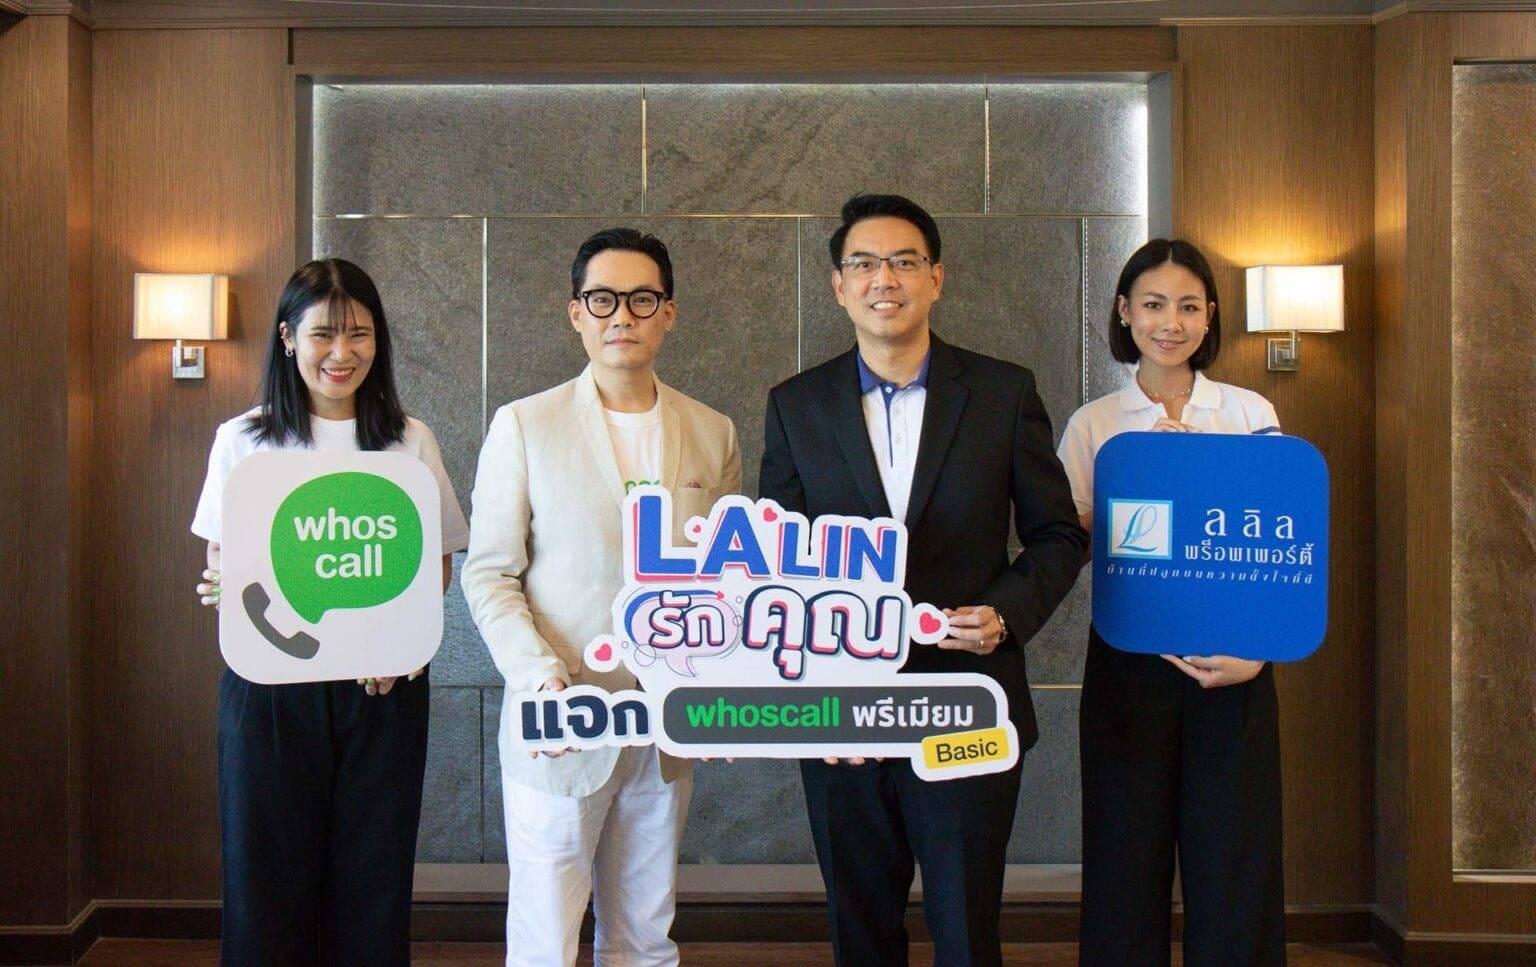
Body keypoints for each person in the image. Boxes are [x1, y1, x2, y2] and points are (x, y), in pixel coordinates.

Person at [759, 194, 1087, 967]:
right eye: (864, 263)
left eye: (904, 261)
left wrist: (1004, 614)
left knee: (966, 927)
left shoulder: (1003, 393)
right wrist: (811, 686)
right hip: (841, 708)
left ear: (935, 278)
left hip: (965, 698)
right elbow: (776, 561)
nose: (885, 278)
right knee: (861, 926)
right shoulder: (797, 406)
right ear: (839, 286)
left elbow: (1058, 534)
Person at [462, 228, 741, 967]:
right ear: (576, 313)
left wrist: (719, 691)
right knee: (546, 940)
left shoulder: (713, 432)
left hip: (667, 727)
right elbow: (489, 573)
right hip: (563, 719)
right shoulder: (525, 424)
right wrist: (538, 676)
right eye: (603, 299)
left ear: (668, 313)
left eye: (642, 299)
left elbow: (727, 584)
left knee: (645, 934)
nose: (623, 315)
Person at [190, 258, 469, 966]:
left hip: (382, 691)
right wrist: (221, 587)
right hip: (269, 689)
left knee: (372, 884)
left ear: (379, 341)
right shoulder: (244, 439)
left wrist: (400, 649)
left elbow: (435, 564)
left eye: (359, 334)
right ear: (288, 338)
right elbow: (225, 561)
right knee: (264, 883)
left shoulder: (409, 438)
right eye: (323, 334)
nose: (341, 353)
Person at [1055, 238, 1286, 966]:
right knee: (1124, 855)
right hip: (1129, 658)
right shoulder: (1095, 422)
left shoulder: (1249, 412)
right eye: (1153, 304)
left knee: (1236, 856)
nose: (1171, 322)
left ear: (1209, 315)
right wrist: (1142, 486)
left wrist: (1256, 654)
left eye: (1188, 306)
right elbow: (1067, 542)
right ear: (1125, 312)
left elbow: (1282, 543)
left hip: (1235, 659)